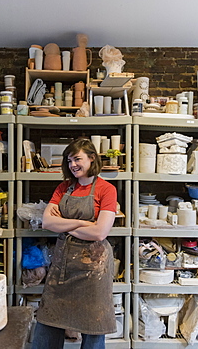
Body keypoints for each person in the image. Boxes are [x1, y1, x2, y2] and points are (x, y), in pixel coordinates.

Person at [32, 138, 117, 349]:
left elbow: (99, 233)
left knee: (93, 326)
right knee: (49, 321)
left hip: (93, 269)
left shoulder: (107, 190)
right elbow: (48, 221)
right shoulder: (64, 187)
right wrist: (81, 223)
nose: (73, 165)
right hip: (63, 265)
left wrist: (63, 224)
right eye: (69, 160)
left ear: (92, 159)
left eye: (77, 159)